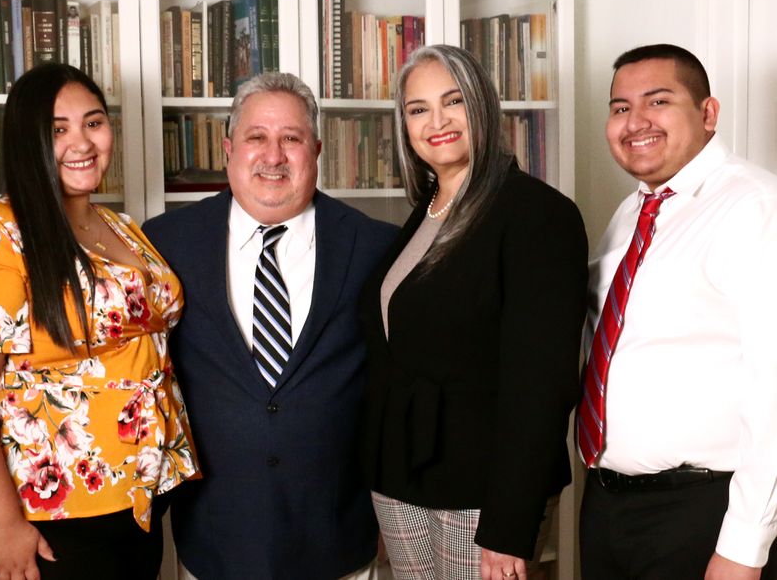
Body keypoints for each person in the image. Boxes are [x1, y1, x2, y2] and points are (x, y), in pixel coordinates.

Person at [0, 63, 199, 580]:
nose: (82, 142)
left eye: (94, 123)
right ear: (28, 142)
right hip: (40, 514)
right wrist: (3, 525)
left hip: (131, 499)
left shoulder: (119, 225)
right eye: (58, 129)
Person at [142, 72, 398, 579]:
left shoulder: (376, 248)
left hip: (337, 539)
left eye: (292, 138)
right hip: (216, 540)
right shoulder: (166, 243)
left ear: (317, 149)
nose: (274, 155)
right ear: (228, 148)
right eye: (256, 137)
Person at [358, 44, 588, 580]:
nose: (436, 121)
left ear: (482, 106)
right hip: (401, 476)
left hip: (483, 493)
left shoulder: (538, 214)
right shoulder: (427, 211)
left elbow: (543, 385)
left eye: (453, 101)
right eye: (418, 109)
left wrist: (509, 527)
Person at [577, 43, 777, 580]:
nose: (634, 121)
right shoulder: (630, 214)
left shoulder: (756, 207)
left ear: (708, 113)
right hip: (608, 506)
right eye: (620, 108)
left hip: (701, 512)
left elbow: (773, 390)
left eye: (657, 101)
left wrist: (744, 546)